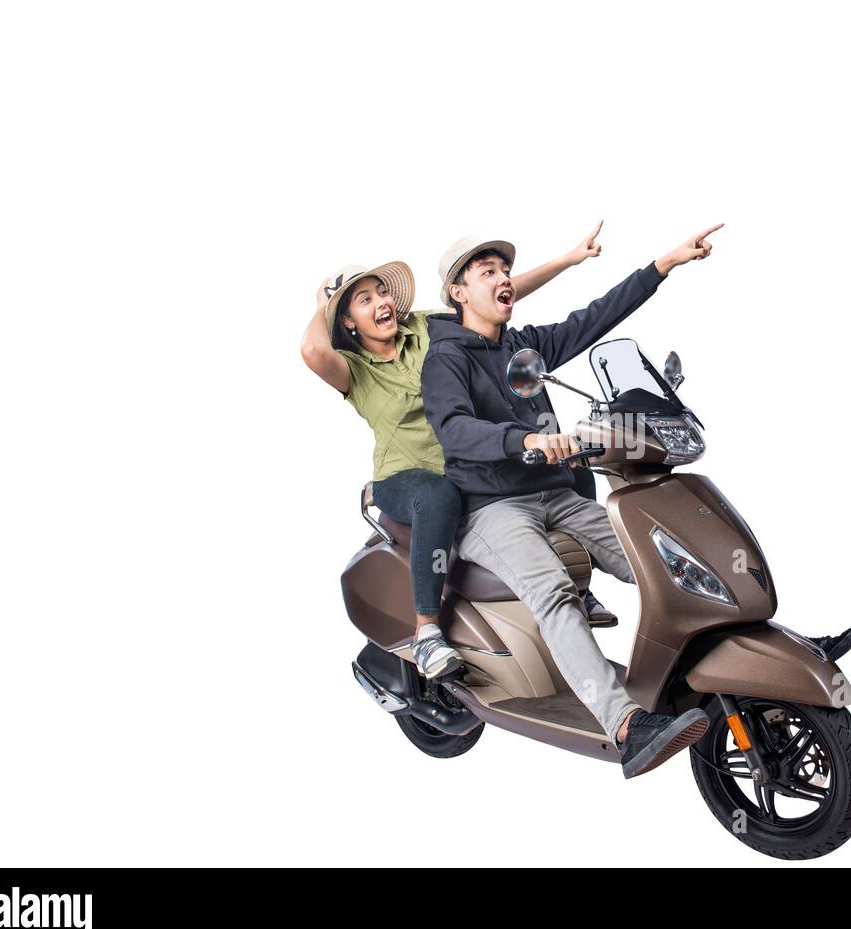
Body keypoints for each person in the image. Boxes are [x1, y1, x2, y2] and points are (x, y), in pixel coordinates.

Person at [421, 225, 724, 778]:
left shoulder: (523, 348)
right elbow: (454, 431)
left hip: (554, 494)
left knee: (670, 558)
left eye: (503, 269)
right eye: (486, 271)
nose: (502, 277)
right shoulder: (445, 359)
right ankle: (627, 726)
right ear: (458, 292)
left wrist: (663, 265)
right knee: (554, 592)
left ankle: (750, 650)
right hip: (491, 507)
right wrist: (526, 440)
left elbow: (594, 319)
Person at [300, 226, 605, 679]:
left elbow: (490, 295)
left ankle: (582, 585)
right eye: (363, 300)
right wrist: (330, 298)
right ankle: (427, 633)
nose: (381, 303)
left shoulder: (427, 327)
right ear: (347, 321)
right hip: (409, 475)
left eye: (381, 292)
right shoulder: (353, 370)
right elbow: (311, 349)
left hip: (470, 462)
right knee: (438, 495)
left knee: (570, 466)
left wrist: (568, 260)